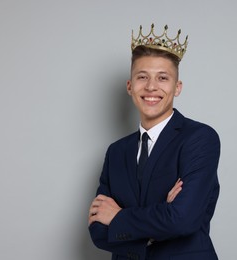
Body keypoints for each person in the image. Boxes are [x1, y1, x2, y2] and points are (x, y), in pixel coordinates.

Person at [88, 24, 221, 260]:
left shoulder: (200, 139)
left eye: (162, 78)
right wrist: (162, 219)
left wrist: (119, 218)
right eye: (142, 77)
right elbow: (98, 230)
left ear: (176, 87)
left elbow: (183, 219)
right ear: (130, 87)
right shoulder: (116, 152)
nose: (151, 87)